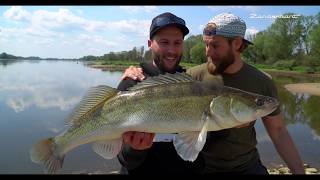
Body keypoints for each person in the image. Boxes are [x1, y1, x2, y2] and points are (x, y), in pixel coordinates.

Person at [120, 12, 305, 174]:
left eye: (215, 45)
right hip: (202, 167)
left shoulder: (262, 81)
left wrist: (299, 171)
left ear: (238, 43)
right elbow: (162, 85)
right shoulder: (194, 75)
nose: (208, 52)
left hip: (246, 166)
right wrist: (132, 75)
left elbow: (279, 131)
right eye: (206, 45)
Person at [116, 12, 204, 174]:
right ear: (150, 43)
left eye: (177, 42)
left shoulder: (194, 84)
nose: (171, 50)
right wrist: (135, 149)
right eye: (164, 42)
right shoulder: (131, 83)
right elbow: (124, 160)